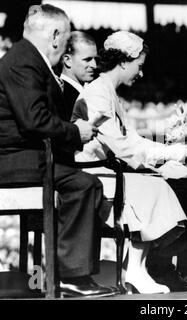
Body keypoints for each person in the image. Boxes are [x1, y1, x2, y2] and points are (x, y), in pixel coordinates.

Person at [72, 31, 187, 293]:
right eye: (139, 66)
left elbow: (129, 140)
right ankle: (147, 269)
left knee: (185, 178)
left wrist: (171, 152)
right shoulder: (99, 92)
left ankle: (156, 268)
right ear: (123, 61)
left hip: (111, 168)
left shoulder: (107, 91)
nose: (140, 74)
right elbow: (122, 146)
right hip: (99, 174)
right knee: (165, 186)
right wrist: (169, 153)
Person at [0, 4, 114, 298]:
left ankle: (67, 272)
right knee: (84, 185)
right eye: (64, 42)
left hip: (25, 155)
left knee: (83, 181)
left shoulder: (25, 58)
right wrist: (77, 131)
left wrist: (76, 133)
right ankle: (71, 277)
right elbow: (34, 120)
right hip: (16, 159)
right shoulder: (24, 62)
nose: (62, 49)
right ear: (54, 35)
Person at [60, 31, 97, 120]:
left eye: (95, 59)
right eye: (87, 59)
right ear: (67, 60)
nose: (94, 65)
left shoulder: (85, 92)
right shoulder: (61, 96)